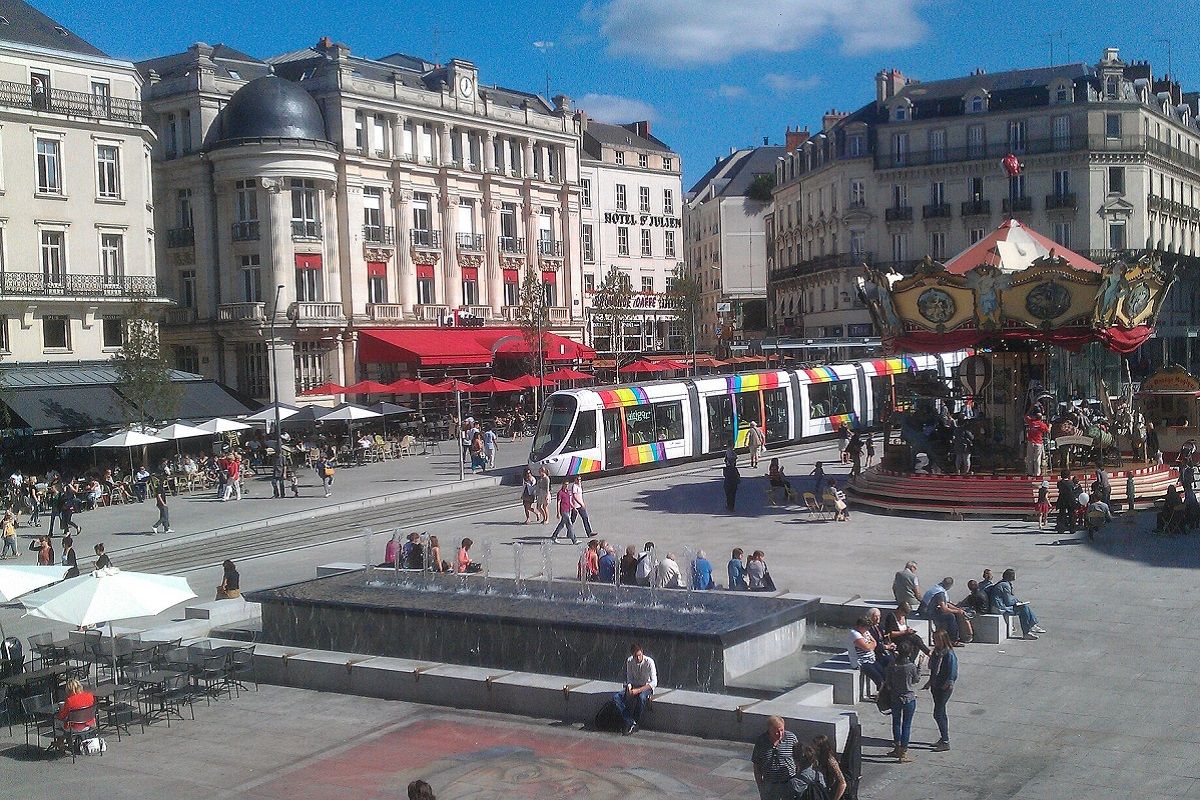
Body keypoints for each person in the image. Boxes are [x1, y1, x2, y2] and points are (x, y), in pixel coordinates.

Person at [924, 629, 958, 752]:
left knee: (938, 713)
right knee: (940, 712)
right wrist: (930, 682)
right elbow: (933, 669)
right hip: (936, 685)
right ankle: (943, 738)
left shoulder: (949, 654)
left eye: (936, 639)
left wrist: (949, 682)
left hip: (944, 687)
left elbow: (953, 671)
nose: (934, 641)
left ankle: (945, 741)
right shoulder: (936, 653)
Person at [885, 643, 920, 763]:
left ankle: (896, 747)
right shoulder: (911, 666)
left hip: (895, 698)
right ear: (909, 653)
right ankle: (903, 752)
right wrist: (919, 668)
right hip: (908, 698)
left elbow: (888, 682)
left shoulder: (892, 665)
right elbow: (916, 680)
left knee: (896, 723)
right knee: (906, 725)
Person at [751, 716, 799, 800]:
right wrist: (760, 786)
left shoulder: (791, 738)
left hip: (788, 782)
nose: (780, 734)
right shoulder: (761, 741)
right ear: (769, 729)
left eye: (782, 730)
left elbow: (799, 759)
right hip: (770, 785)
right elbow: (757, 765)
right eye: (776, 732)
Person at [612, 644, 656, 735]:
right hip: (634, 686)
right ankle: (630, 721)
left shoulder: (649, 662)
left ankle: (636, 721)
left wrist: (638, 690)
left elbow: (654, 682)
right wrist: (629, 687)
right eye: (635, 656)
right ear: (632, 655)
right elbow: (629, 678)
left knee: (641, 698)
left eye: (639, 655)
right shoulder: (629, 661)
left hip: (645, 687)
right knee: (616, 697)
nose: (638, 658)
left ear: (642, 653)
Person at [989, 568, 1045, 640]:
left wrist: (1017, 601)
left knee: (1024, 606)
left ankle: (1032, 625)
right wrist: (1016, 602)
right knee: (1023, 609)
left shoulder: (1003, 583)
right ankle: (1027, 632)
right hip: (999, 608)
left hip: (999, 605)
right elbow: (1008, 601)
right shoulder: (1005, 585)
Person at [50, 678, 96, 752]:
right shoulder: (89, 696)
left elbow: (62, 716)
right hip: (88, 725)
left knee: (57, 720)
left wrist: (60, 711)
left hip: (75, 727)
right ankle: (65, 741)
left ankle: (60, 742)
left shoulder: (69, 700)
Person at [921, 577, 970, 644]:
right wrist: (958, 611)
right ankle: (953, 640)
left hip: (925, 609)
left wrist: (957, 609)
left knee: (950, 613)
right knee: (950, 616)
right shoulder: (940, 593)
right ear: (950, 585)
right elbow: (944, 609)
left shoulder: (937, 588)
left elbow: (947, 604)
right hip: (926, 613)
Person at [847, 617, 886, 694]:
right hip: (861, 662)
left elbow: (874, 642)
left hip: (871, 659)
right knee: (879, 680)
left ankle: (885, 694)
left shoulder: (866, 632)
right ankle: (882, 697)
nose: (868, 630)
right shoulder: (854, 634)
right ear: (860, 626)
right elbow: (866, 648)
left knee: (885, 676)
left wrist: (870, 645)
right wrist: (870, 645)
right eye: (866, 628)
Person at [811, 734, 847, 800]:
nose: (813, 749)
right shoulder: (818, 757)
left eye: (816, 748)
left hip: (828, 792)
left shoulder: (830, 761)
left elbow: (842, 783)